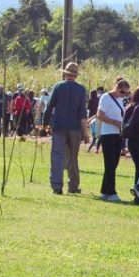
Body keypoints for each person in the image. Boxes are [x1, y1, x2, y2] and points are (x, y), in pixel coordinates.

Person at [42, 62, 89, 195]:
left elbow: (49, 107)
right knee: (73, 156)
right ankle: (73, 185)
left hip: (59, 127)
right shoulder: (81, 89)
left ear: (66, 73)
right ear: (75, 75)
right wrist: (86, 132)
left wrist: (45, 124)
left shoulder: (58, 86)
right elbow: (82, 113)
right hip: (75, 128)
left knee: (57, 155)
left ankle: (57, 185)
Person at [96, 78, 130, 202]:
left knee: (113, 164)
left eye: (126, 93)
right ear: (115, 87)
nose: (124, 95)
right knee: (110, 163)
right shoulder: (105, 97)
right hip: (108, 134)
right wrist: (113, 122)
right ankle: (111, 192)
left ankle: (105, 190)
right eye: (122, 92)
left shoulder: (120, 100)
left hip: (117, 134)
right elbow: (100, 115)